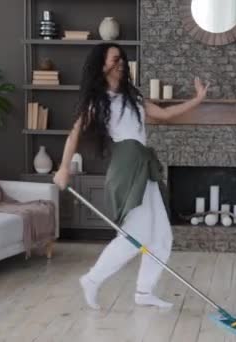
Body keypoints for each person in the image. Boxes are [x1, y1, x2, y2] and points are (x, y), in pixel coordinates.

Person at [53, 43, 208, 310]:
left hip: (144, 166)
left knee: (161, 237)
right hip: (126, 168)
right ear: (103, 65)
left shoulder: (132, 97)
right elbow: (74, 134)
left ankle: (144, 292)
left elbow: (166, 114)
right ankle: (92, 279)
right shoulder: (97, 101)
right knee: (135, 234)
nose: (122, 62)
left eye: (122, 58)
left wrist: (197, 99)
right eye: (116, 59)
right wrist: (64, 168)